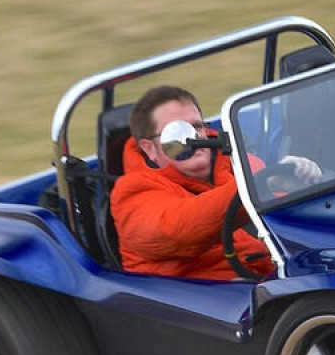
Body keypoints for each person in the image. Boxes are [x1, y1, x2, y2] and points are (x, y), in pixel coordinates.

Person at [110, 85, 317, 281]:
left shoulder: (242, 163)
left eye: (197, 126)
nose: (193, 138)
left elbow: (291, 227)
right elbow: (177, 229)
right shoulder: (131, 192)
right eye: (177, 133)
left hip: (280, 277)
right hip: (204, 297)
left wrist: (303, 183)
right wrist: (261, 186)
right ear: (149, 149)